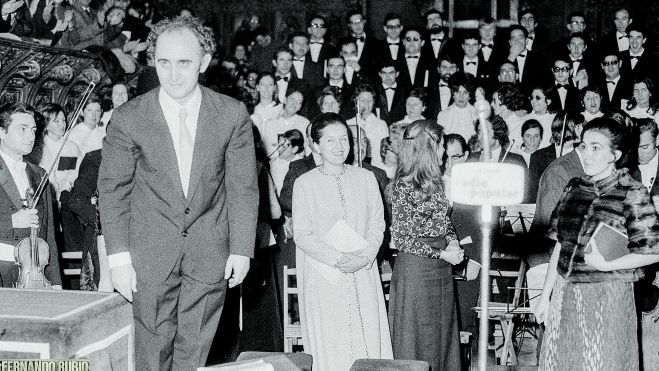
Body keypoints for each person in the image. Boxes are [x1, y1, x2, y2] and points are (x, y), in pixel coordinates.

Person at [98, 16, 258, 370]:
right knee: (151, 353)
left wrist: (241, 249)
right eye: (163, 62)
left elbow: (243, 188)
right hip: (148, 256)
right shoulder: (129, 118)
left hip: (209, 252)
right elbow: (112, 191)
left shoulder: (232, 115)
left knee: (195, 351)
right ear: (153, 60)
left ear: (203, 61)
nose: (172, 74)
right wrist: (119, 259)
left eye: (184, 62)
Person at [533, 117, 659, 370]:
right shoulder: (573, 188)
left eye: (596, 148)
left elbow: (653, 252)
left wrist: (606, 264)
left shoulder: (631, 192)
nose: (587, 155)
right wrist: (544, 296)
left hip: (608, 296)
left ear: (615, 154)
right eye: (583, 146)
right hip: (564, 294)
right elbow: (560, 245)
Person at [293, 112, 392, 371]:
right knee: (332, 341)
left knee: (366, 335)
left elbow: (377, 223)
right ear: (315, 145)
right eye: (330, 140)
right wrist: (337, 259)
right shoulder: (304, 184)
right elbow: (303, 235)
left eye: (344, 139)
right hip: (324, 275)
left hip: (362, 269)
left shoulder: (366, 178)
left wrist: (366, 256)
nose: (339, 146)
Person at [388, 119, 463, 370]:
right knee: (416, 338)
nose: (443, 151)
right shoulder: (403, 185)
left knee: (443, 336)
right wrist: (442, 253)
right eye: (441, 145)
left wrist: (452, 242)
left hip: (441, 269)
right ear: (428, 147)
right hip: (416, 270)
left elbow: (444, 221)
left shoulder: (438, 182)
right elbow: (401, 238)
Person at [0, 103, 61, 289]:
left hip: (34, 275)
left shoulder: (39, 174)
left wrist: (56, 282)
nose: (30, 136)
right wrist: (12, 222)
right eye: (22, 129)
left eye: (33, 130)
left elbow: (48, 234)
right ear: (2, 132)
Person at [37, 103, 82, 201]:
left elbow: (78, 169)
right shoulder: (42, 147)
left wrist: (70, 184)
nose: (62, 124)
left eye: (63, 120)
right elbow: (48, 177)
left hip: (71, 193)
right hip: (53, 196)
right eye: (56, 121)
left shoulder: (72, 146)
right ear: (46, 125)